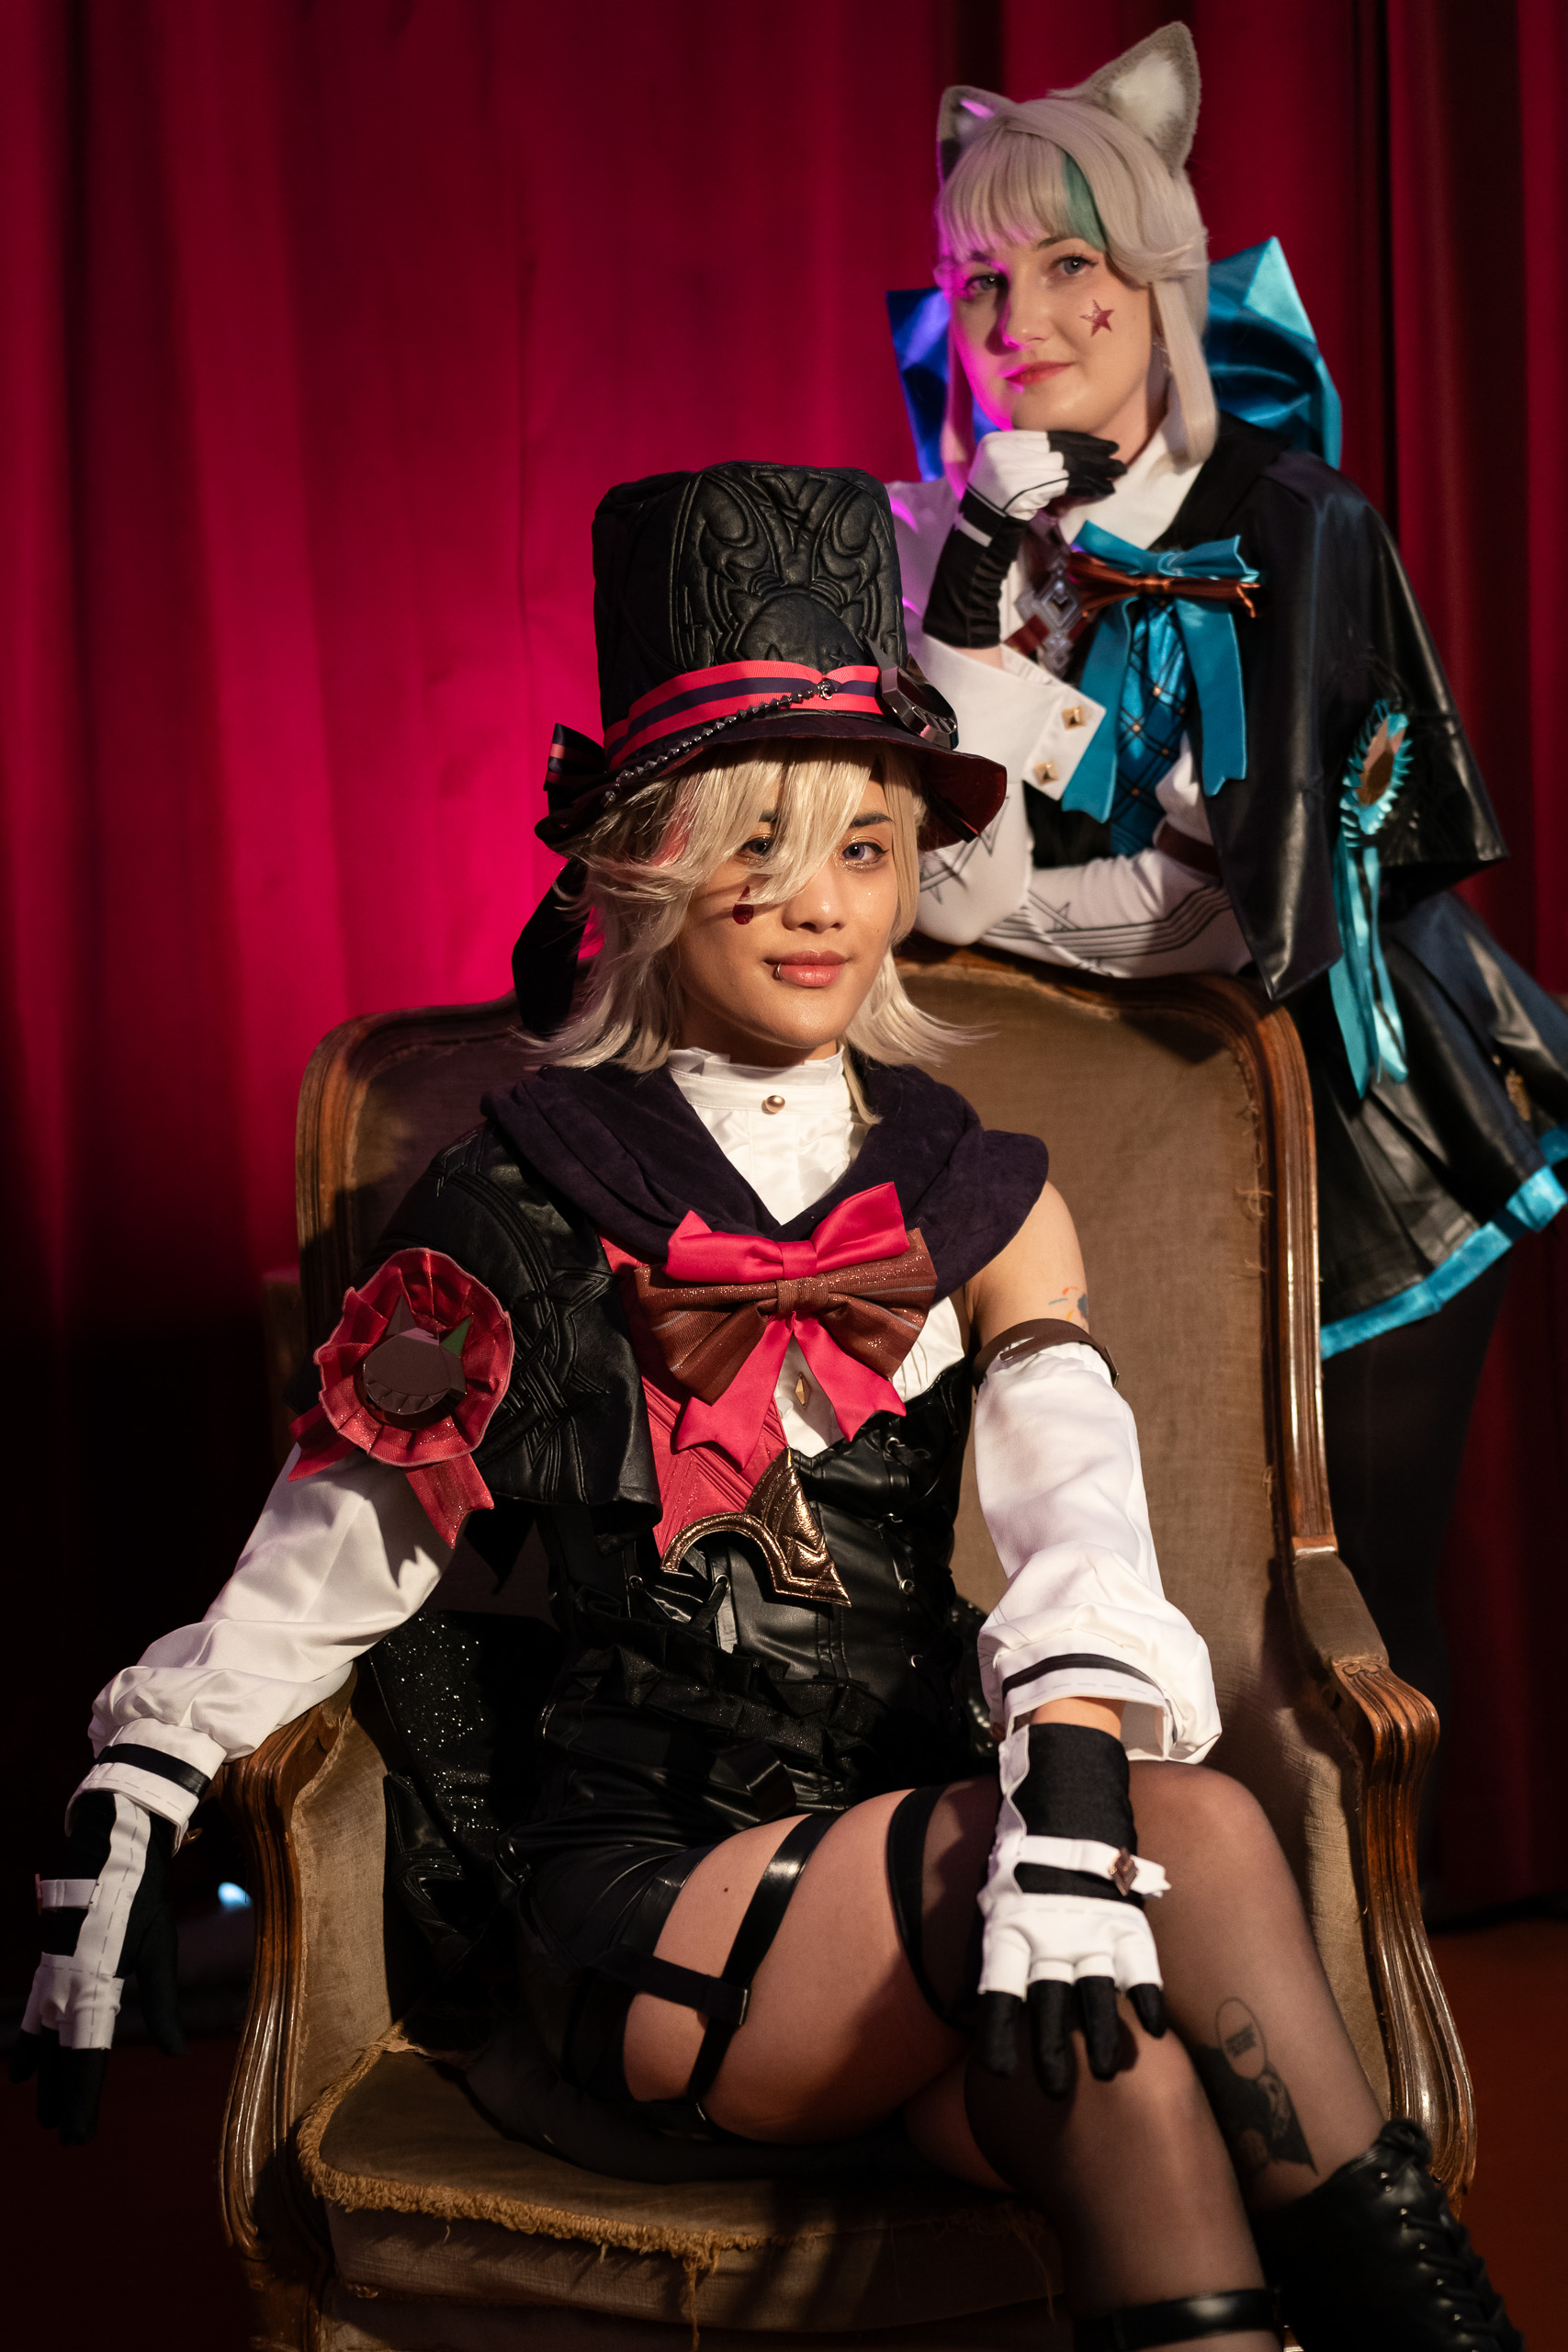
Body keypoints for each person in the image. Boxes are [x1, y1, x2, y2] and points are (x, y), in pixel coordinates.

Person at [15, 462, 1519, 2352]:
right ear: (643, 866)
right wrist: (147, 1775)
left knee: (1134, 2086)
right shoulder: (511, 1195)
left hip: (928, 1854)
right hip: (653, 1917)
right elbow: (344, 1543)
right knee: (1201, 1844)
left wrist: (1064, 1795)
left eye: (866, 848)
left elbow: (1075, 1513)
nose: (820, 906)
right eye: (757, 847)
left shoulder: (973, 1189)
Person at [888, 26, 1568, 1883]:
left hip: (1356, 1131)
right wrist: (973, 594)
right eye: (978, 279)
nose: (1017, 318)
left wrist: (999, 843)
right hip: (1107, 1145)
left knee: (1340, 1627)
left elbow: (1221, 914)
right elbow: (949, 897)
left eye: (1069, 266)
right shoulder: (959, 535)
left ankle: (1367, 1991)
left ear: (1161, 279)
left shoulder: (1289, 520)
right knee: (1118, 1601)